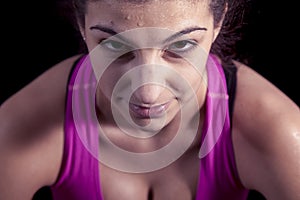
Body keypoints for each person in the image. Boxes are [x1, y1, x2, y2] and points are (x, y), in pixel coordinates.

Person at [1, 0, 300, 199]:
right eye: (115, 45)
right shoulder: (21, 127)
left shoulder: (276, 130)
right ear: (82, 26)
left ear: (217, 22)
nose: (147, 93)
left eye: (181, 46)